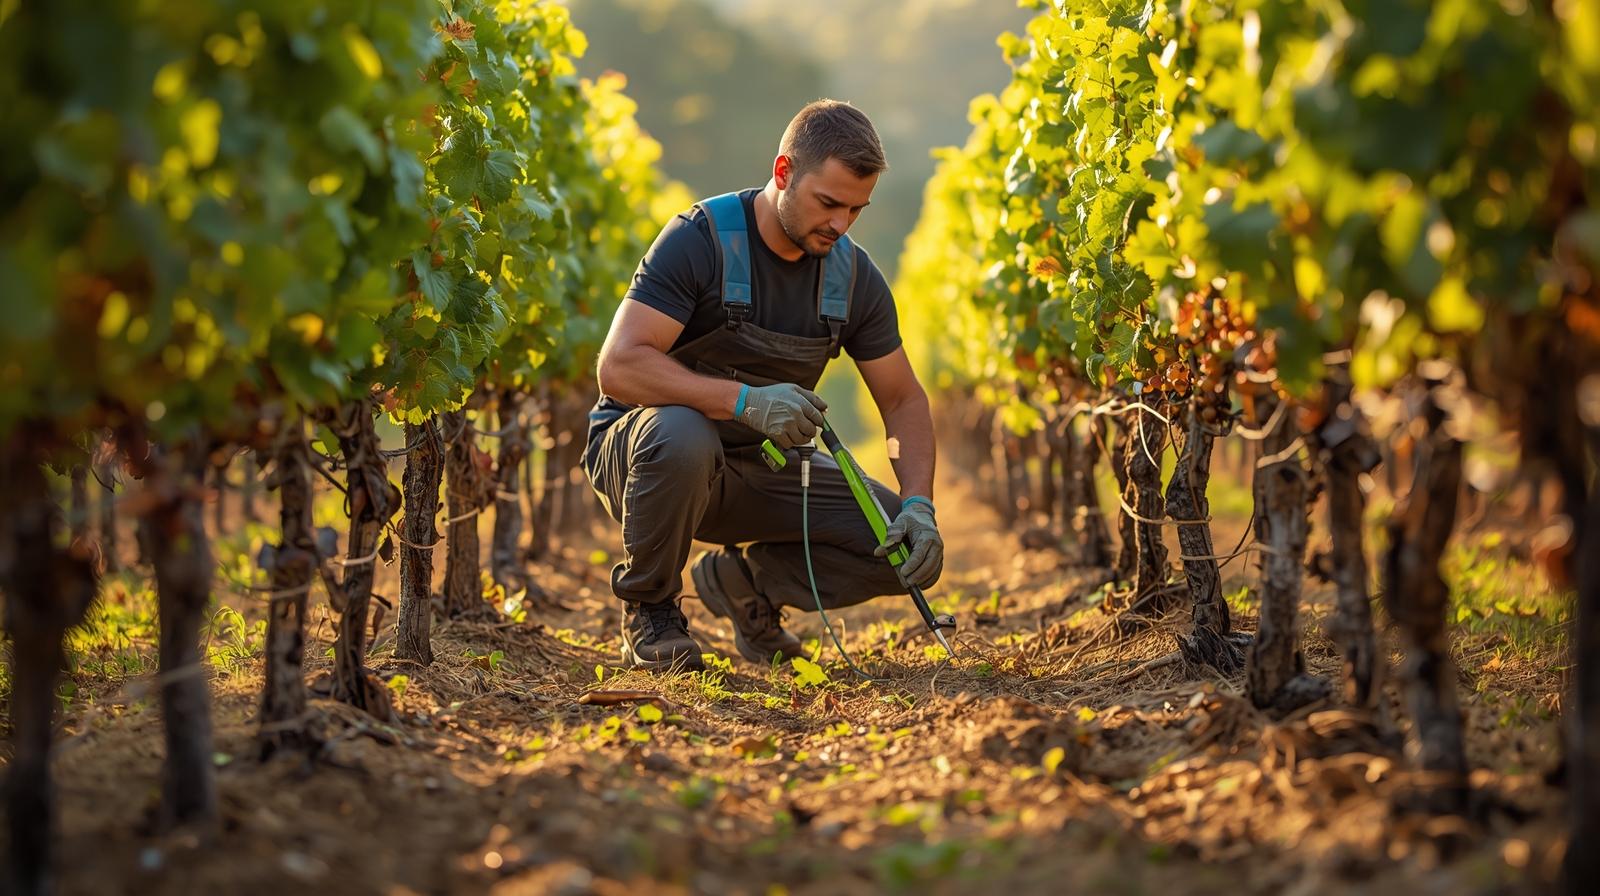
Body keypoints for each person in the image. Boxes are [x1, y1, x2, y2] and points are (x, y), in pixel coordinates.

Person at [583, 100, 943, 671]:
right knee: (682, 434)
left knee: (897, 545)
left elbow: (902, 399)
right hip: (649, 459)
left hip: (765, 468)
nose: (841, 224)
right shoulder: (700, 240)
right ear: (783, 173)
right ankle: (650, 609)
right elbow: (619, 367)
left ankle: (746, 585)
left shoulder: (853, 278)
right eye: (828, 203)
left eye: (856, 209)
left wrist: (920, 505)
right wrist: (744, 402)